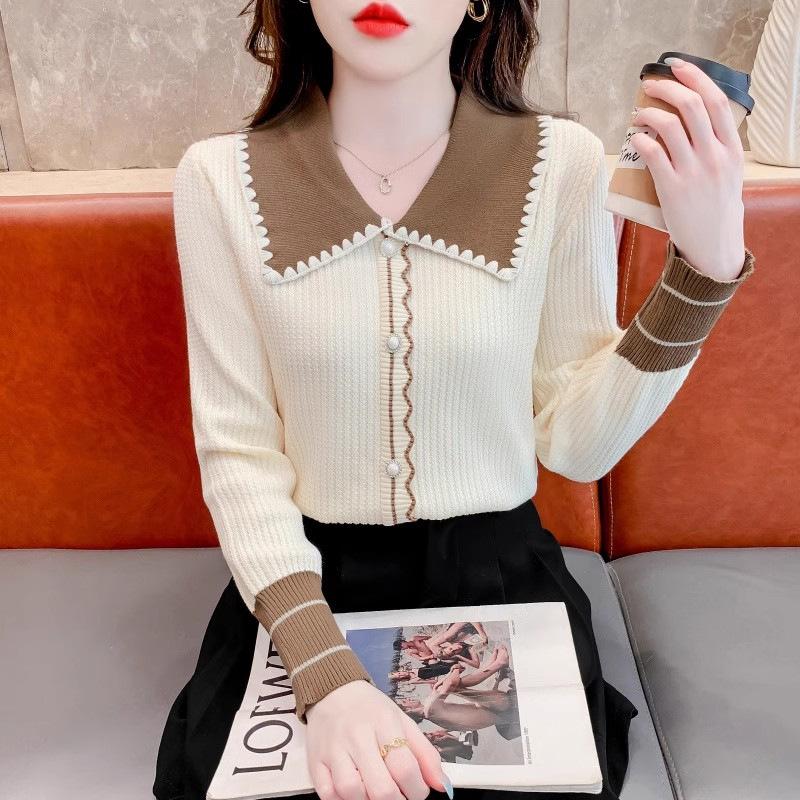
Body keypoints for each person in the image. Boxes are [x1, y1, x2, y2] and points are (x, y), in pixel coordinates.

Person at [152, 1, 756, 799]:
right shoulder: (217, 180)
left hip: (496, 576)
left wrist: (703, 273)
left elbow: (577, 445)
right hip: (304, 589)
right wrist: (328, 678)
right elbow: (238, 452)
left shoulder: (561, 164)